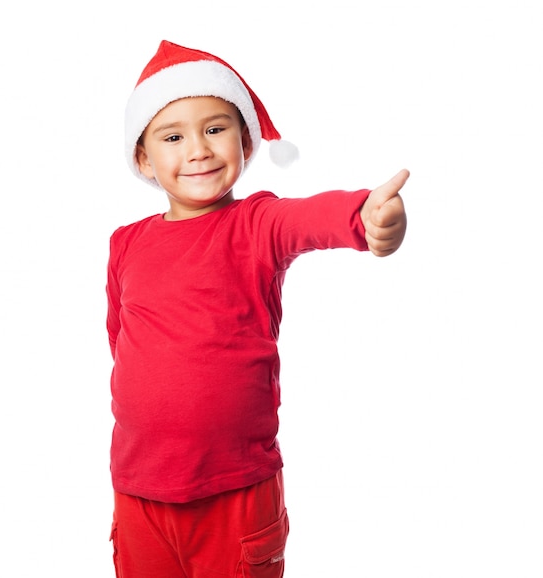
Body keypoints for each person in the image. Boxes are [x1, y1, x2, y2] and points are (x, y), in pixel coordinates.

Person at [106, 40, 408, 578]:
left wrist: (365, 215)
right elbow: (120, 338)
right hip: (139, 490)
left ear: (245, 141)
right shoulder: (126, 242)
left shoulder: (256, 223)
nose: (197, 149)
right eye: (173, 137)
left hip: (236, 489)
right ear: (143, 158)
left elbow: (309, 218)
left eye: (215, 129)